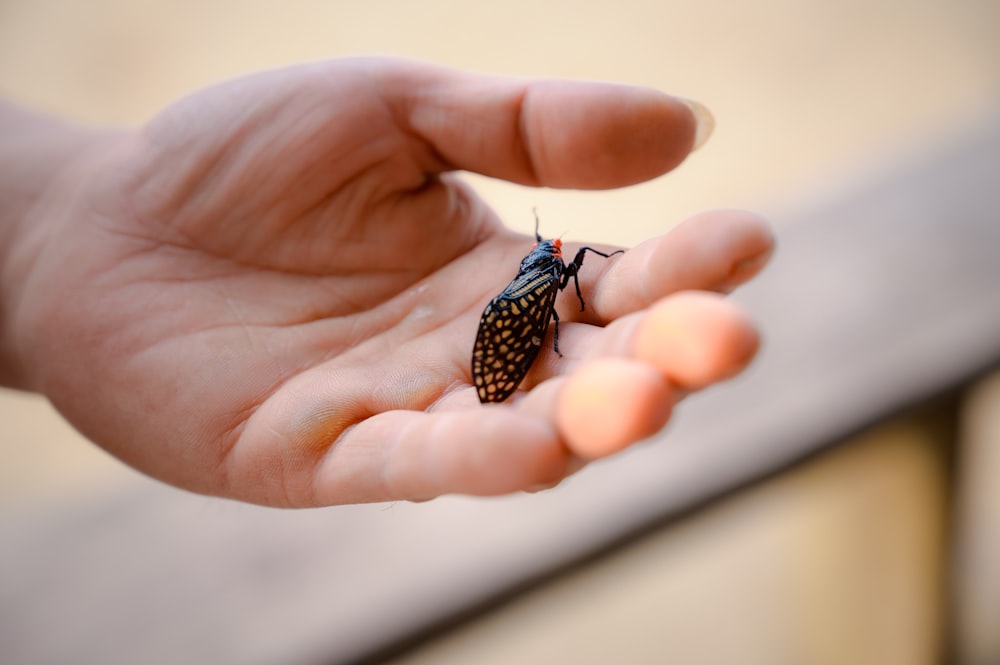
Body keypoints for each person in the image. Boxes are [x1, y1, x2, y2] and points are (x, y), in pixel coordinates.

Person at [0, 57, 773, 507]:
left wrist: (44, 242)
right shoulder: (544, 273)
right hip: (520, 308)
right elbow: (554, 292)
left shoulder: (536, 273)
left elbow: (546, 290)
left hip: (515, 306)